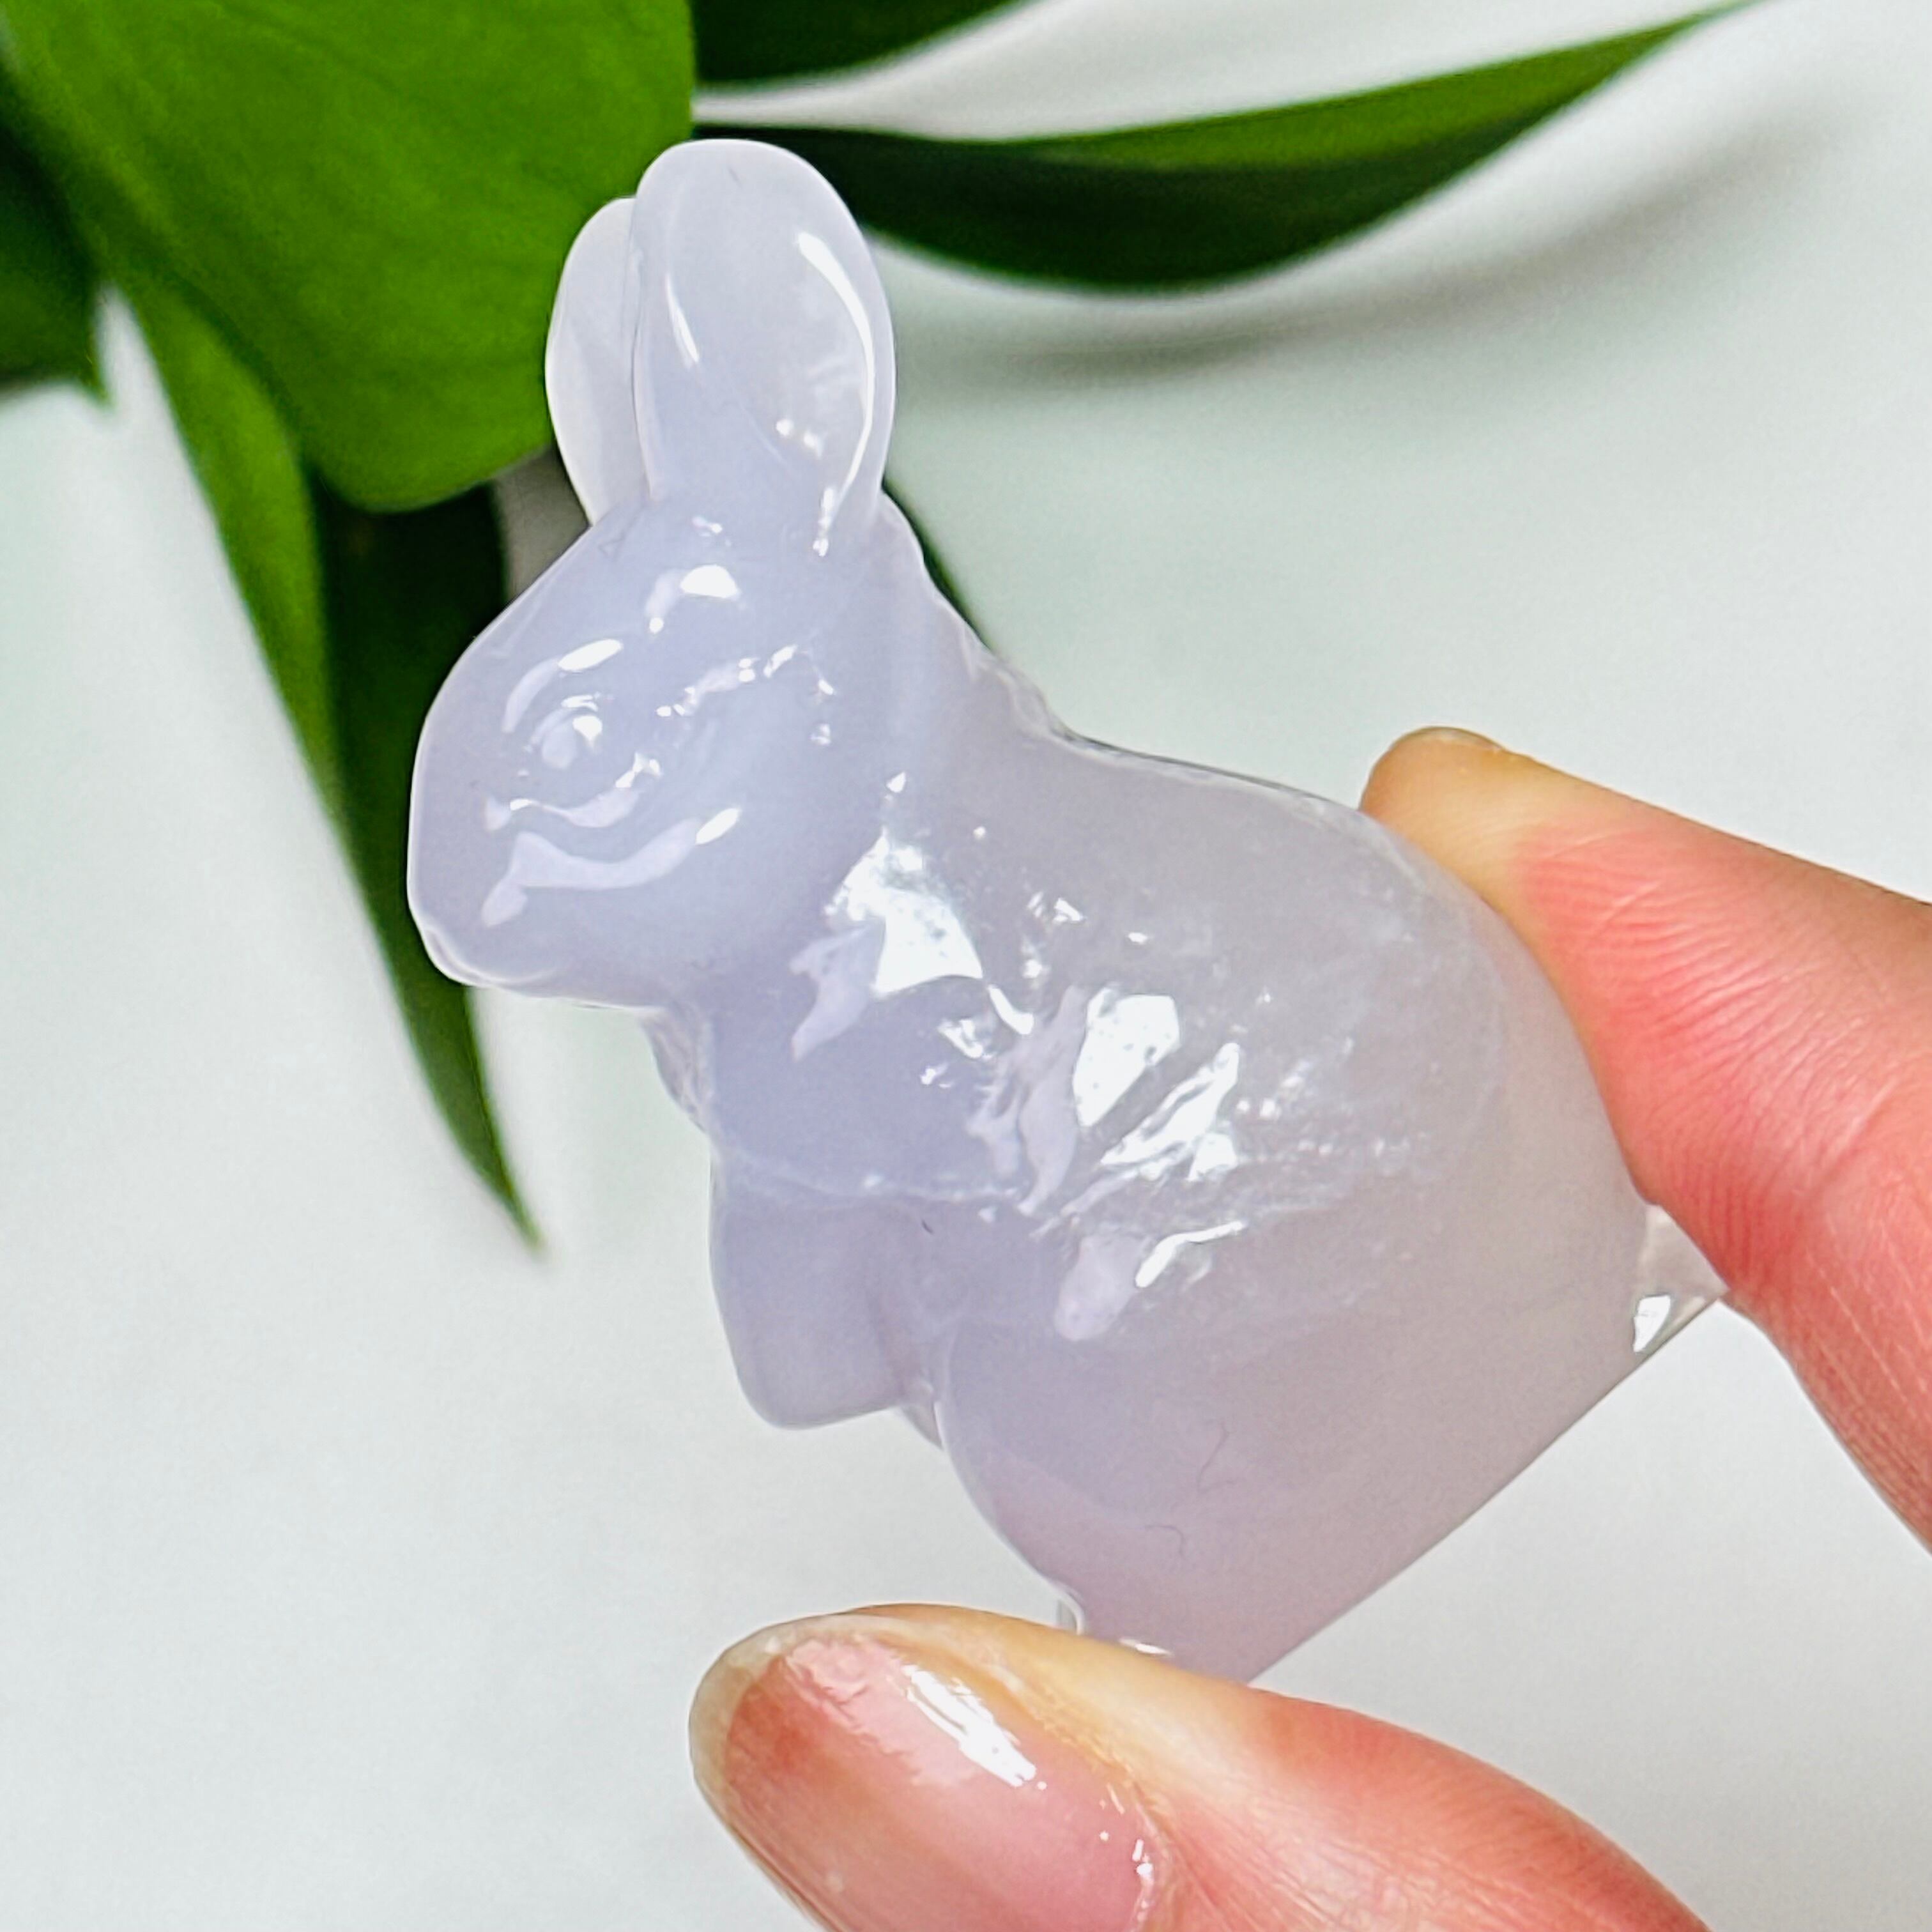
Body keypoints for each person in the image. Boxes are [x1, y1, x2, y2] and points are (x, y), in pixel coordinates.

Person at [682, 728, 1932, 1932]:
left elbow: (803, 1363)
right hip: (1536, 1268)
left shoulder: (813, 1037)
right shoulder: (1121, 853)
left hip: (1219, 1484)